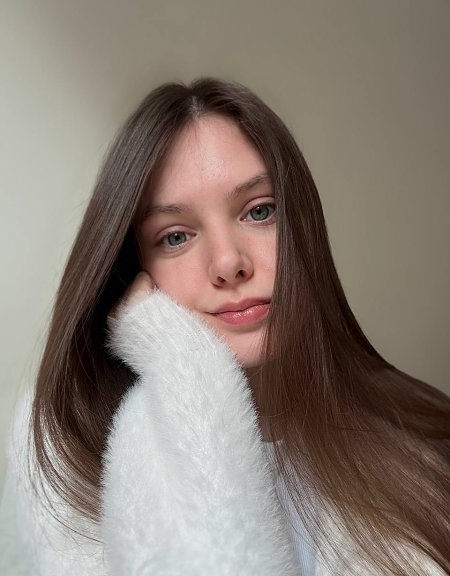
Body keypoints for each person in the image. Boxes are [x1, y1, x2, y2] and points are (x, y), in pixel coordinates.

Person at [1, 77, 449, 575]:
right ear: (132, 269)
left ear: (303, 226)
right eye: (175, 237)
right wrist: (179, 361)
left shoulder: (420, 436)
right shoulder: (65, 455)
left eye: (260, 211)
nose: (229, 263)